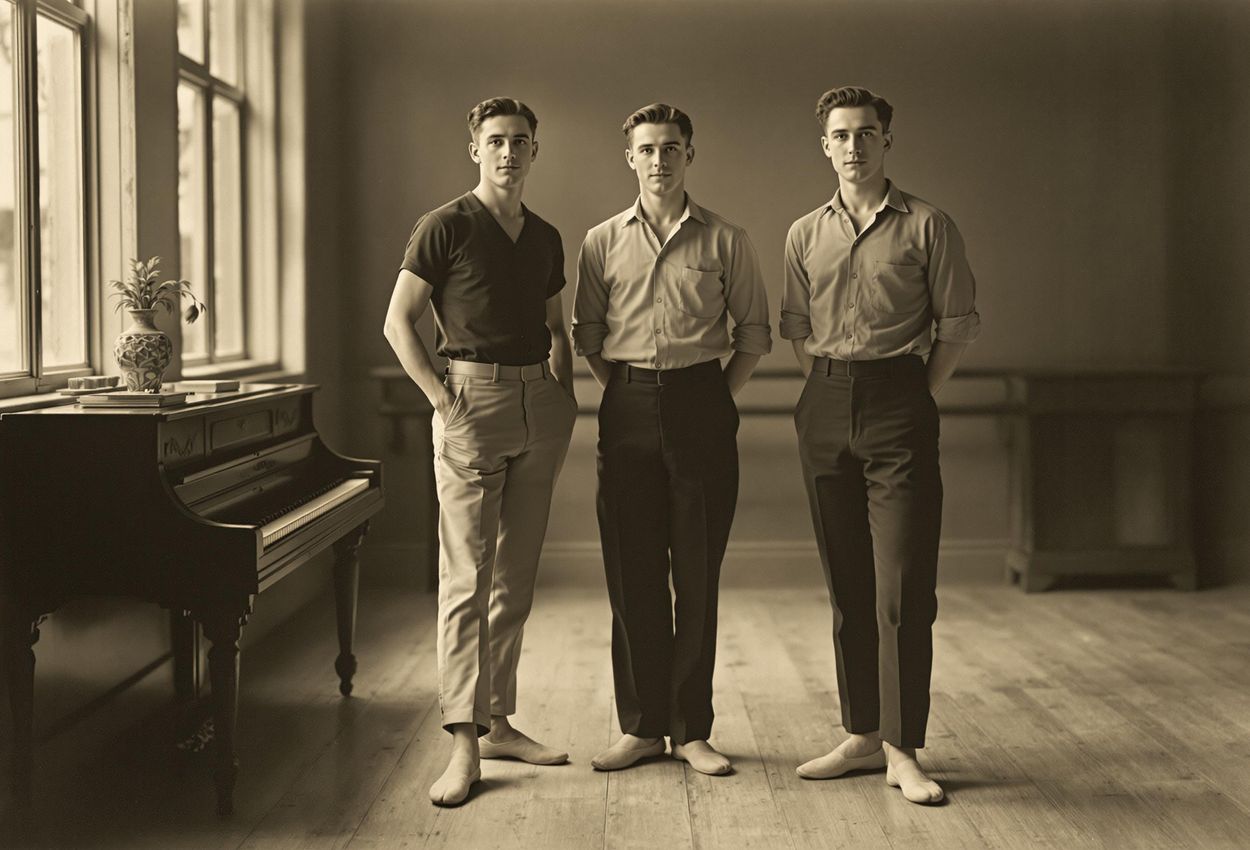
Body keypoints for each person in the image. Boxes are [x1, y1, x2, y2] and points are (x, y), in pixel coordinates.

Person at [781, 86, 980, 805]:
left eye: (867, 133)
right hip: (825, 402)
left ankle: (903, 748)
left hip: (901, 400)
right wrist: (833, 388)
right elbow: (797, 329)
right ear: (825, 146)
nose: (854, 146)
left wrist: (910, 390)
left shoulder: (930, 226)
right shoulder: (804, 232)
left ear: (886, 141)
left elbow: (954, 326)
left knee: (902, 588)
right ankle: (862, 732)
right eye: (841, 135)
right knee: (848, 585)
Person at [382, 97, 578, 807]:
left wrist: (565, 393)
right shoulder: (445, 226)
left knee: (514, 579)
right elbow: (398, 322)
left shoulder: (548, 236)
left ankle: (498, 721)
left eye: (520, 141)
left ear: (534, 151)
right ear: (476, 150)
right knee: (466, 577)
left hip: (539, 408)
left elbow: (557, 327)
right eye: (495, 141)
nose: (508, 152)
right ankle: (464, 742)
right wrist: (440, 398)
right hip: (470, 402)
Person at [572, 103, 771, 776]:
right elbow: (588, 337)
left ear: (691, 154)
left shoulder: (726, 240)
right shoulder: (600, 241)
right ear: (630, 156)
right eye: (648, 149)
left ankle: (692, 730)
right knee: (632, 576)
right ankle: (641, 727)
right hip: (625, 406)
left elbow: (754, 334)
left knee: (696, 575)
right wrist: (629, 390)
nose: (660, 159)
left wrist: (709, 397)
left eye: (672, 148)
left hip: (702, 405)